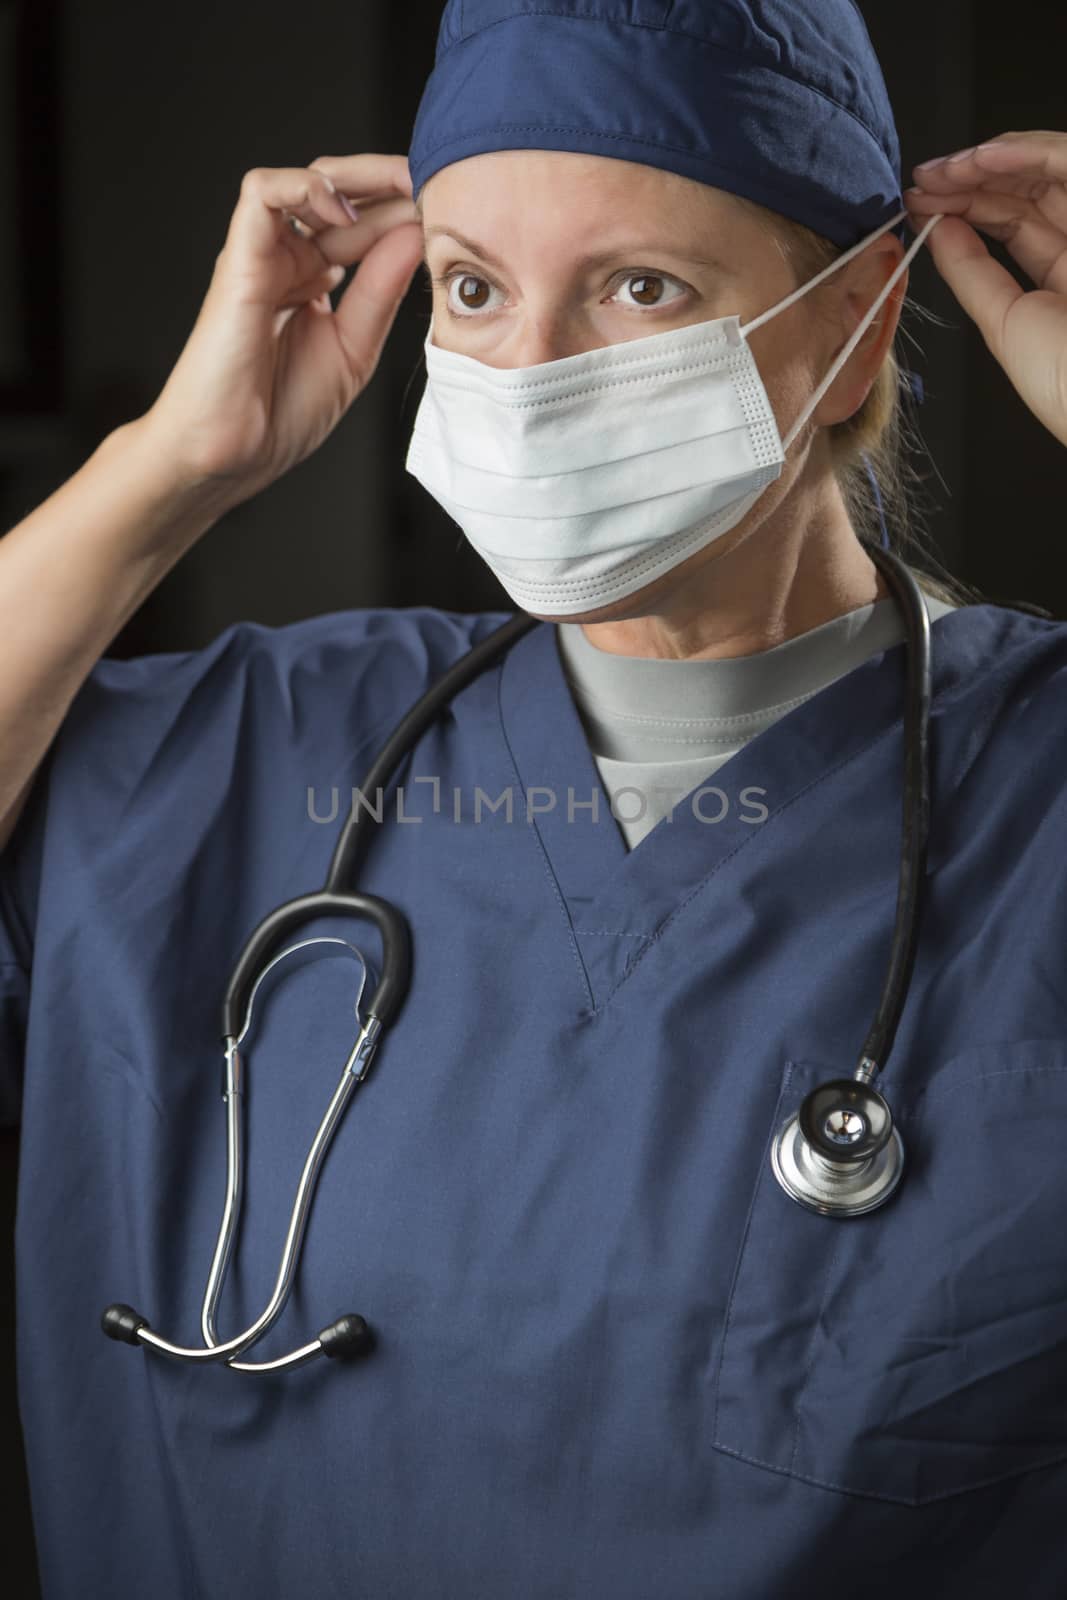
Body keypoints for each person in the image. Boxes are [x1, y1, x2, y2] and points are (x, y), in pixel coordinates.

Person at [2, 1, 1067, 1593]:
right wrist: (169, 467)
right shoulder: (244, 748)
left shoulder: (1037, 780)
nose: (533, 374)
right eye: (475, 289)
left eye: (643, 287)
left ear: (856, 326)